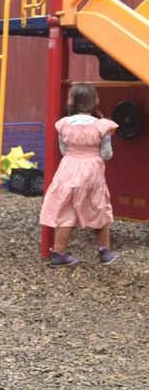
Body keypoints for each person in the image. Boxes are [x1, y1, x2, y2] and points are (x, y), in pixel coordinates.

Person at [39, 82, 119, 267]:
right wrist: (94, 155)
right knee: (98, 207)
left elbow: (63, 150)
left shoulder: (63, 124)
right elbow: (107, 153)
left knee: (68, 210)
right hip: (92, 172)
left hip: (68, 170)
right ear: (94, 101)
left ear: (72, 102)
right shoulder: (101, 126)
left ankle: (58, 253)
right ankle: (104, 252)